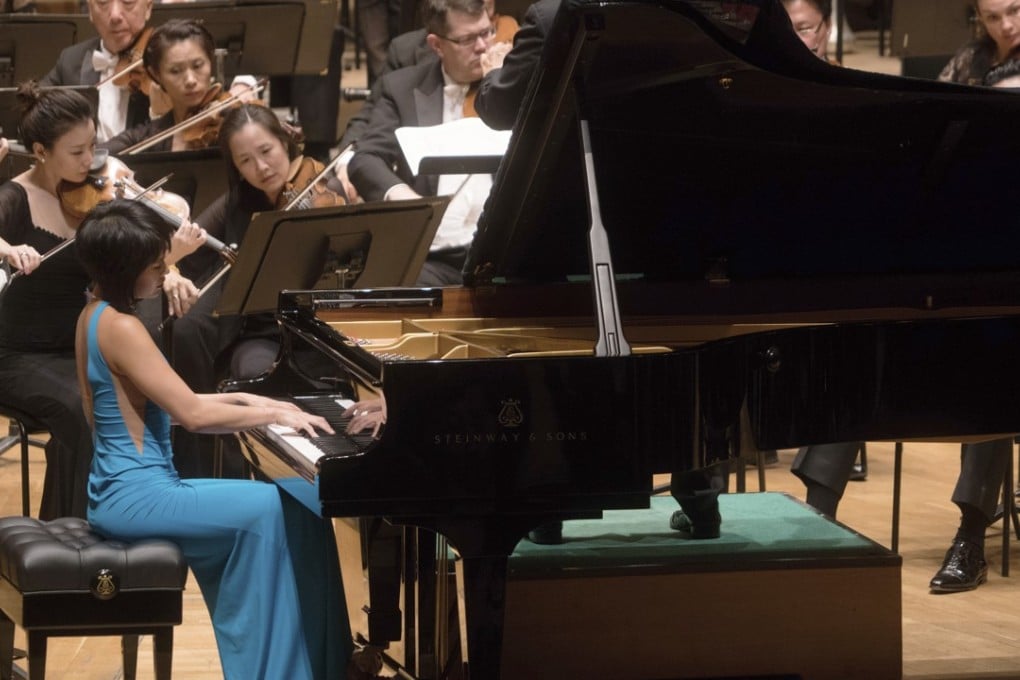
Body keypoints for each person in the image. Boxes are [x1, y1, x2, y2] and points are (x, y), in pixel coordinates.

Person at [73, 198, 352, 679]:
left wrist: (252, 404)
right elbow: (193, 415)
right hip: (138, 496)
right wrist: (269, 410)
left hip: (122, 490)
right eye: (157, 266)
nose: (165, 273)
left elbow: (166, 403)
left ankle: (326, 662)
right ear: (126, 271)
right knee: (266, 508)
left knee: (302, 505)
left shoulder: (93, 313)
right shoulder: (123, 327)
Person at [168, 103, 347, 478]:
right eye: (245, 161)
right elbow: (177, 248)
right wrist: (171, 267)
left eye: (266, 152)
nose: (261, 168)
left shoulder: (324, 190)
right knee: (242, 364)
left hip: (317, 334)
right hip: (261, 335)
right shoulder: (239, 201)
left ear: (285, 142)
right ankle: (240, 476)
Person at [347, 0, 497, 286]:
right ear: (437, 45)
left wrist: (502, 83)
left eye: (486, 32)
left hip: (500, 252)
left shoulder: (513, 83)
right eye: (467, 39)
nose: (483, 47)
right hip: (434, 258)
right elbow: (365, 159)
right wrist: (402, 196)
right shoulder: (403, 88)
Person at [101, 19, 257, 155]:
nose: (190, 80)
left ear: (210, 62)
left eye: (198, 65)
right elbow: (94, 156)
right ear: (156, 74)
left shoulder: (234, 120)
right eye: (175, 71)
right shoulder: (148, 136)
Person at [40, 0, 155, 142]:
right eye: (103, 2)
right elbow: (33, 110)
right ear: (90, 10)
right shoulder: (71, 60)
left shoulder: (161, 61)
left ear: (148, 7)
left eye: (128, 2)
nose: (115, 15)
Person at [940, 0, 1020, 85]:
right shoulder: (970, 56)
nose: (1006, 26)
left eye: (1014, 10)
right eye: (993, 17)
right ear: (981, 18)